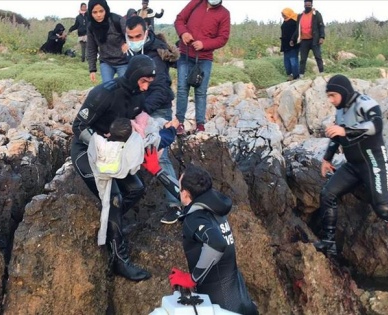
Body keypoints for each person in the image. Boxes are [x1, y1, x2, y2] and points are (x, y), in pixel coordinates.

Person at [315, 74, 388, 257]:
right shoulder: (340, 111)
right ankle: (329, 244)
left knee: (384, 209)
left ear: (343, 92)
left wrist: (346, 130)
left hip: (373, 162)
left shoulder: (364, 103)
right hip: (352, 165)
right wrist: (327, 159)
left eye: (333, 95)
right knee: (327, 194)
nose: (331, 100)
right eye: (329, 96)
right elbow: (336, 136)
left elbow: (376, 125)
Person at [71, 55, 157, 281]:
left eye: (149, 82)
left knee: (136, 189)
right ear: (135, 76)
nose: (146, 87)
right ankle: (119, 260)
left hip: (114, 152)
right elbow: (77, 126)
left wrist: (148, 130)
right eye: (144, 81)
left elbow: (139, 116)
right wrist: (102, 145)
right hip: (87, 150)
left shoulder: (138, 94)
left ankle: (110, 227)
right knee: (115, 198)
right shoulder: (104, 92)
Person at [140, 156, 259, 314]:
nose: (179, 188)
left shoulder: (194, 219)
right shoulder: (214, 204)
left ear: (187, 194)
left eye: (181, 185)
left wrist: (191, 279)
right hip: (239, 297)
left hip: (222, 304)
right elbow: (183, 196)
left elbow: (216, 243)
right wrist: (158, 171)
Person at [125, 15, 183, 224]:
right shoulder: (131, 53)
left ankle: (176, 204)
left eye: (138, 35)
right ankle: (128, 200)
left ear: (146, 33)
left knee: (158, 154)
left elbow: (160, 90)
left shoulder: (155, 56)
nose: (134, 39)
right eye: (130, 36)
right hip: (139, 109)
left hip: (157, 110)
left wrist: (144, 112)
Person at [174, 0, 230, 135]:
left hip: (204, 58)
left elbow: (223, 38)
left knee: (200, 92)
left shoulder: (224, 13)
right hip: (185, 54)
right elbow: (179, 20)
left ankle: (200, 125)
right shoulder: (196, 2)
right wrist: (183, 33)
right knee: (182, 89)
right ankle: (179, 123)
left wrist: (204, 44)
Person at [86, 0, 129, 83]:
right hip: (106, 62)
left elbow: (131, 36)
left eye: (101, 11)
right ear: (90, 13)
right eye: (94, 12)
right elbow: (91, 48)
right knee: (107, 87)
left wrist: (128, 44)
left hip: (123, 62)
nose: (98, 15)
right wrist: (92, 69)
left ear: (106, 9)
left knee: (125, 87)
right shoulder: (91, 27)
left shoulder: (117, 20)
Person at [291, 0, 325, 77]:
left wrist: (322, 37)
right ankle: (301, 75)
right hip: (304, 41)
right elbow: (297, 29)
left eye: (309, 5)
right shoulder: (300, 16)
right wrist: (293, 39)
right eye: (306, 5)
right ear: (304, 5)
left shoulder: (316, 14)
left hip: (314, 40)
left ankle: (322, 73)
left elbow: (321, 26)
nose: (307, 7)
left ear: (312, 5)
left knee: (318, 56)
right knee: (303, 59)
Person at [280, 8, 299, 81]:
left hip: (293, 44)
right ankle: (290, 75)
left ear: (288, 13)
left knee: (293, 60)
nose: (283, 16)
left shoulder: (294, 21)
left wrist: (293, 40)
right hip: (285, 44)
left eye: (284, 14)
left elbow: (297, 32)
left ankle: (296, 76)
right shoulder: (285, 21)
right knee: (286, 61)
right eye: (282, 15)